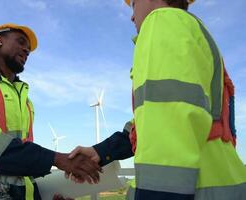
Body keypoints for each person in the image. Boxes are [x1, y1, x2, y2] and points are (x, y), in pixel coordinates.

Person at [68, 0, 246, 199]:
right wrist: (100, 151)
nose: (132, 16)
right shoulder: (191, 29)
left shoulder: (162, 21)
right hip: (223, 181)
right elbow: (150, 124)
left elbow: (168, 132)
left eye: (133, 4)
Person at [0, 23, 101, 200]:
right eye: (20, 42)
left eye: (28, 49)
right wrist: (58, 159)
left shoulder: (26, 100)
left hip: (25, 192)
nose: (26, 50)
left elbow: (24, 152)